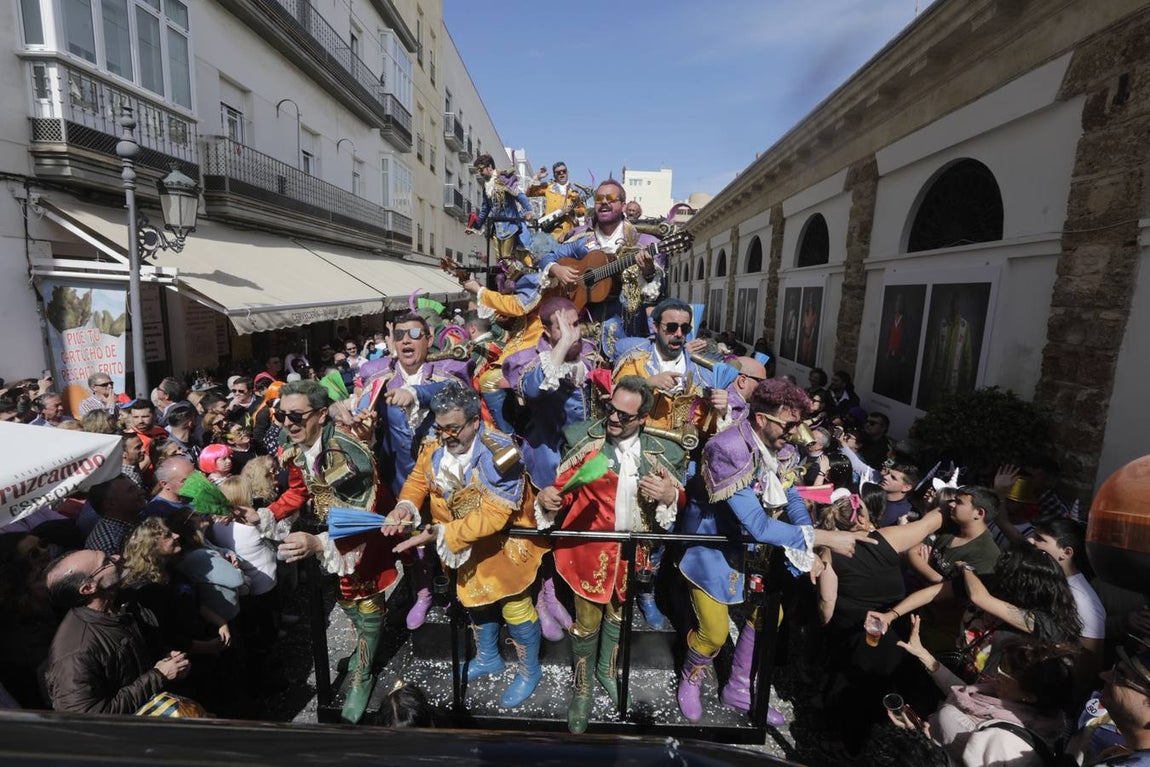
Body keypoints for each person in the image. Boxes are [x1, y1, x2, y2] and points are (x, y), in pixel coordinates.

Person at [677, 378, 873, 724]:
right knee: (714, 632)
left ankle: (738, 689)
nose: (797, 433)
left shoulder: (781, 446)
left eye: (799, 424)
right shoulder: (727, 448)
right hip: (713, 549)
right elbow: (759, 524)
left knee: (771, 617)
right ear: (762, 419)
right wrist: (824, 538)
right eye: (790, 424)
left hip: (756, 553)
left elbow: (792, 495)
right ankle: (691, 676)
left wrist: (805, 534)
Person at [536, 376, 688, 734]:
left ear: (643, 418)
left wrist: (670, 496)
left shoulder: (661, 452)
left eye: (624, 414)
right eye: (609, 409)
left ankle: (607, 669)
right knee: (587, 623)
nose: (613, 419)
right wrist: (548, 499)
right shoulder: (584, 443)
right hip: (589, 554)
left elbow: (682, 502)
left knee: (619, 618)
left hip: (633, 556)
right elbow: (562, 491)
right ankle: (583, 687)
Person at [384, 386, 548, 708]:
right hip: (463, 550)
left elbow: (495, 515)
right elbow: (419, 479)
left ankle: (530, 670)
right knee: (474, 601)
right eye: (440, 427)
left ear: (475, 421)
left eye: (453, 428)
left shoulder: (501, 453)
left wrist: (442, 535)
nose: (446, 435)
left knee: (514, 608)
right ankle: (489, 658)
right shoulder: (435, 445)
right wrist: (405, 506)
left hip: (503, 551)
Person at [273, 379, 403, 724]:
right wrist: (267, 513)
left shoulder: (343, 451)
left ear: (319, 414)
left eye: (296, 416)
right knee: (346, 598)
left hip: (365, 534)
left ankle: (363, 673)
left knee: (366, 597)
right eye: (281, 415)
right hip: (337, 533)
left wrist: (317, 543)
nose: (288, 424)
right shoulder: (300, 444)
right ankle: (365, 650)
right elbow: (300, 491)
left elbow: (361, 512)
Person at [814, 493, 945, 757]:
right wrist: (945, 504)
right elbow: (931, 523)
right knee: (883, 688)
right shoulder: (887, 537)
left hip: (855, 632)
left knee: (851, 688)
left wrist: (826, 625)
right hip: (893, 629)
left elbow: (827, 600)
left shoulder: (829, 549)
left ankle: (842, 743)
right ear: (862, 517)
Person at [892, 614, 1078, 767]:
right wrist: (924, 656)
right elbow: (964, 694)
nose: (996, 674)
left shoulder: (1005, 742)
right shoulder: (1008, 700)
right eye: (1001, 666)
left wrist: (925, 745)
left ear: (1029, 696)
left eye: (1005, 674)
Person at [44, 548, 191, 713]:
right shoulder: (75, 653)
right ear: (88, 588)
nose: (117, 557)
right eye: (106, 562)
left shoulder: (124, 602)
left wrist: (169, 660)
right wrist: (158, 676)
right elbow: (89, 718)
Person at [540, 179, 665, 347]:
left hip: (626, 332)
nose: (604, 202)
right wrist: (556, 268)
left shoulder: (641, 242)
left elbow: (656, 292)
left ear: (623, 205)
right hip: (582, 331)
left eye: (611, 198)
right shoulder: (582, 240)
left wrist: (648, 272)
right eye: (599, 199)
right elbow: (546, 256)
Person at [466, 153, 535, 259]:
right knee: (500, 260)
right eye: (478, 171)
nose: (480, 173)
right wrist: (475, 225)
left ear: (489, 167)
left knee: (506, 258)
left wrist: (529, 210)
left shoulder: (504, 180)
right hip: (496, 228)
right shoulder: (486, 188)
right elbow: (485, 209)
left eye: (481, 169)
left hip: (510, 225)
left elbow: (519, 195)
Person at [84, 475, 148, 555]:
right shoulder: (108, 546)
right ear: (110, 504)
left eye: (137, 488)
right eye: (131, 490)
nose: (141, 492)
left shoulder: (132, 521)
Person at [526, 161, 587, 242]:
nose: (561, 173)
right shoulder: (549, 187)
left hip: (568, 234)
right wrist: (538, 177)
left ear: (567, 172)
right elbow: (529, 193)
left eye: (564, 171)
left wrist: (573, 210)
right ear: (554, 175)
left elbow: (582, 211)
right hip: (551, 232)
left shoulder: (575, 191)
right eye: (558, 172)